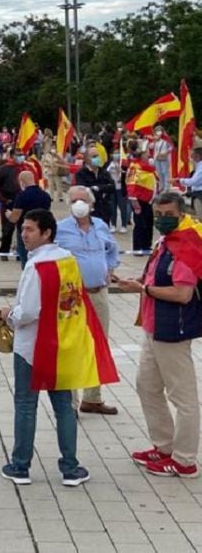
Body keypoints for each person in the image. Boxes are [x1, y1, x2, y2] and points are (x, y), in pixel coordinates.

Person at [0, 209, 91, 488]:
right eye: (23, 229)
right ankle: (70, 467)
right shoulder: (67, 260)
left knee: (26, 404)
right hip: (61, 342)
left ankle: (20, 465)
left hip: (32, 345)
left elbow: (27, 312)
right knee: (63, 406)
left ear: (47, 232)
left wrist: (8, 314)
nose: (23, 235)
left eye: (29, 230)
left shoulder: (36, 265)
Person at [116, 192, 201, 478]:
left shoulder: (186, 246)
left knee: (183, 396)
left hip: (173, 329)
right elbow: (152, 277)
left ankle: (185, 459)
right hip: (154, 326)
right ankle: (164, 447)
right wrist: (138, 282)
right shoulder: (165, 243)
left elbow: (182, 293)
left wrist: (143, 290)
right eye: (159, 214)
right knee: (147, 386)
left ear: (181, 214)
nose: (162, 219)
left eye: (168, 215)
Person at [56, 186, 120, 416]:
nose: (78, 204)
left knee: (98, 343)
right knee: (72, 345)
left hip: (99, 292)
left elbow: (113, 249)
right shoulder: (60, 229)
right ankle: (69, 403)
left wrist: (111, 268)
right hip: (73, 297)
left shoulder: (101, 226)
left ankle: (92, 398)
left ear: (90, 203)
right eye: (73, 200)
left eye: (82, 200)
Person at [6, 171, 52, 268]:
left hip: (26, 231)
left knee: (26, 262)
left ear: (22, 181)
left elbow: (14, 218)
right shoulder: (45, 196)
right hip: (42, 231)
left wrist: (9, 214)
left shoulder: (22, 196)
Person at [74, 149, 116, 225]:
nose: (97, 158)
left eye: (97, 156)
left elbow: (112, 187)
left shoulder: (104, 172)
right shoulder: (81, 174)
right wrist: (102, 188)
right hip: (90, 212)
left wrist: (98, 188)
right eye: (94, 156)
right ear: (86, 159)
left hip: (104, 211)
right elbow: (85, 190)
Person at [0, 153, 21, 261]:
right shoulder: (2, 170)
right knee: (7, 230)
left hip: (22, 201)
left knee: (23, 228)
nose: (21, 156)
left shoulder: (25, 168)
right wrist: (4, 200)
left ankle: (20, 251)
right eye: (18, 154)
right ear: (11, 156)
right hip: (8, 203)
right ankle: (4, 251)